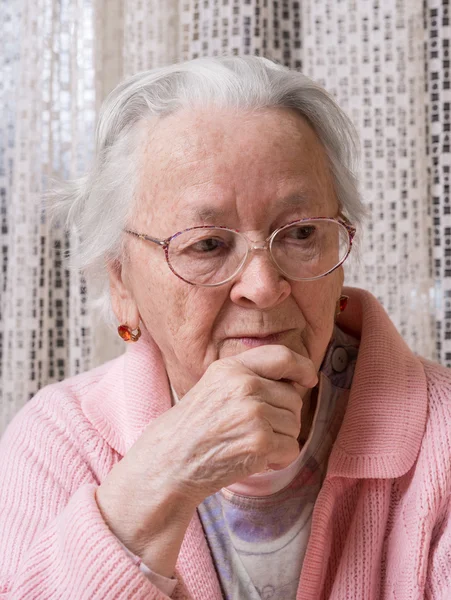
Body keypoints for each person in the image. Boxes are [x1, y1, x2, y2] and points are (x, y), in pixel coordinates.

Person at [0, 56, 450, 600]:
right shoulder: (59, 443)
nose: (263, 286)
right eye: (207, 244)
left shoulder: (441, 435)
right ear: (122, 284)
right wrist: (161, 480)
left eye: (302, 233)